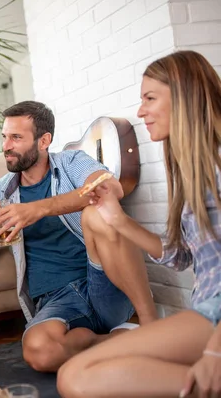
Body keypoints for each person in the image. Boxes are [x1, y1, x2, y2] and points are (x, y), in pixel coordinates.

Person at [57, 50, 221, 398]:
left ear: (186, 96)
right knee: (78, 375)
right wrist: (118, 219)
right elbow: (180, 258)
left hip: (216, 318)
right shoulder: (194, 171)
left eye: (150, 98)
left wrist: (214, 351)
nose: (141, 111)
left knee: (78, 377)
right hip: (206, 311)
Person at [0, 100, 158, 373]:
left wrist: (36, 209)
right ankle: (118, 340)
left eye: (16, 137)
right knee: (39, 352)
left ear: (43, 140)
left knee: (96, 213)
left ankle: (151, 325)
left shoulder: (71, 162)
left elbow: (110, 188)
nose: (6, 146)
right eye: (4, 137)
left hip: (103, 281)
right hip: (56, 301)